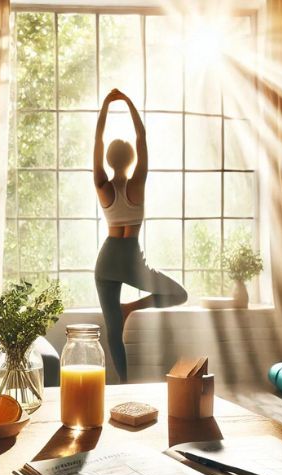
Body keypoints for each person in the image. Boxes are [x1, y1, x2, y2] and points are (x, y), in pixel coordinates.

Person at [93, 89, 188, 383]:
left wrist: (106, 107)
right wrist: (129, 103)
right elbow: (141, 138)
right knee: (178, 294)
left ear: (108, 160)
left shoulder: (102, 185)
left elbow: (97, 141)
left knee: (113, 335)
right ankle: (130, 308)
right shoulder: (138, 183)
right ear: (132, 159)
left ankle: (123, 385)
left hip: (107, 261)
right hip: (131, 259)